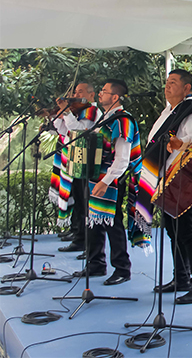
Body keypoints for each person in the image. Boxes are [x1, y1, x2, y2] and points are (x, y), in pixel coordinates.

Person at [134, 69, 192, 303]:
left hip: (185, 182)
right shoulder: (169, 111)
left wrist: (182, 144)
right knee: (172, 230)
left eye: (173, 83)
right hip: (166, 180)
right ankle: (181, 278)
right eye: (167, 83)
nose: (168, 87)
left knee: (188, 232)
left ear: (187, 88)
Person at [72, 79, 140, 285]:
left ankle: (122, 268)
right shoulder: (107, 118)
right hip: (96, 176)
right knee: (94, 220)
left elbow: (122, 157)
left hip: (111, 178)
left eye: (104, 91)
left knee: (113, 222)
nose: (100, 94)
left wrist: (107, 180)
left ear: (115, 97)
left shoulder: (122, 120)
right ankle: (96, 263)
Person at [51, 82, 101, 254]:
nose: (75, 95)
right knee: (78, 200)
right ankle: (78, 235)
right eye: (75, 91)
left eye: (80, 92)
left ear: (91, 94)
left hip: (87, 162)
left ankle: (84, 241)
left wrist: (66, 112)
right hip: (75, 160)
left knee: (84, 203)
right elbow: (64, 131)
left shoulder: (93, 112)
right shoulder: (78, 111)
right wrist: (60, 115)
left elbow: (79, 131)